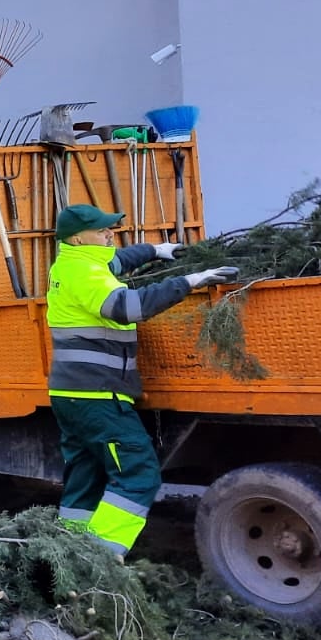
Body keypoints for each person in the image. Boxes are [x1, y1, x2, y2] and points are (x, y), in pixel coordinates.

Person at [46, 203, 237, 557]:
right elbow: (128, 307)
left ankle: (67, 552)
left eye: (110, 228)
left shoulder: (79, 262)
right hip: (97, 395)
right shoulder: (82, 274)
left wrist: (154, 251)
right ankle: (99, 558)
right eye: (102, 230)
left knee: (86, 475)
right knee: (139, 474)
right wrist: (187, 281)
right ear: (77, 237)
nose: (110, 234)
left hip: (73, 394)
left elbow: (119, 261)